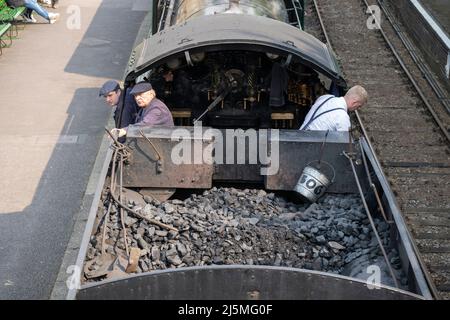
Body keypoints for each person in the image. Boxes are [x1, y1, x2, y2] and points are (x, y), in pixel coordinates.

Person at [299, 85, 368, 131]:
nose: (357, 108)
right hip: (311, 147)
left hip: (300, 135)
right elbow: (343, 143)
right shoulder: (343, 117)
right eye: (359, 106)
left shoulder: (325, 97)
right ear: (354, 103)